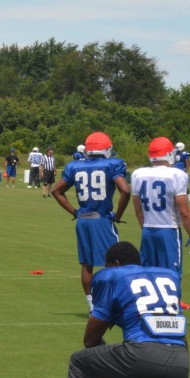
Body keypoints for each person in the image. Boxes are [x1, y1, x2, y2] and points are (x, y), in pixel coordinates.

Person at [46, 241, 190, 378]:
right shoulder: (166, 276)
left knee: (79, 362)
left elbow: (90, 339)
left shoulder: (114, 277)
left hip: (143, 354)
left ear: (115, 264)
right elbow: (177, 330)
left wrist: (112, 362)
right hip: (180, 360)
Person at [51, 131, 130, 312]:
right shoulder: (113, 164)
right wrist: (118, 215)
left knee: (87, 264)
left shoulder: (75, 166)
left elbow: (56, 191)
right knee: (114, 261)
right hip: (101, 219)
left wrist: (75, 212)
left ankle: (92, 305)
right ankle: (112, 302)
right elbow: (125, 190)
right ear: (107, 149)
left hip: (83, 220)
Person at [130, 137, 190, 274]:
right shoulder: (177, 174)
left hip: (147, 230)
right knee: (171, 276)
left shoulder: (138, 174)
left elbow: (138, 210)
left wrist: (146, 228)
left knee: (149, 275)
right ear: (169, 154)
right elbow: (184, 212)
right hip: (168, 230)